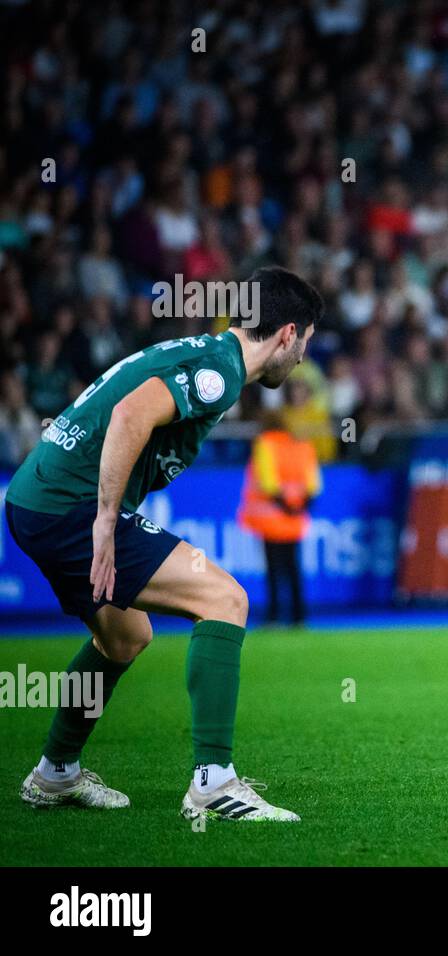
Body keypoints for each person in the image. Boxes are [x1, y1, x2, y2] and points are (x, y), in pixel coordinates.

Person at [5, 266, 321, 820]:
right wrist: (106, 521)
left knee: (124, 637)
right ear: (288, 333)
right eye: (305, 345)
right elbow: (131, 413)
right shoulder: (220, 371)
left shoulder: (210, 353)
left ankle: (55, 774)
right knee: (224, 600)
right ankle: (213, 782)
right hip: (69, 507)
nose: (301, 361)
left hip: (36, 499)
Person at [237, 409, 322, 626]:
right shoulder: (302, 445)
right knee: (293, 567)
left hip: (271, 518)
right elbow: (313, 482)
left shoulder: (265, 444)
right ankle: (298, 615)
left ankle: (274, 615)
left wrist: (282, 504)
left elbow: (267, 481)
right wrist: (297, 506)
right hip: (294, 518)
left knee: (274, 569)